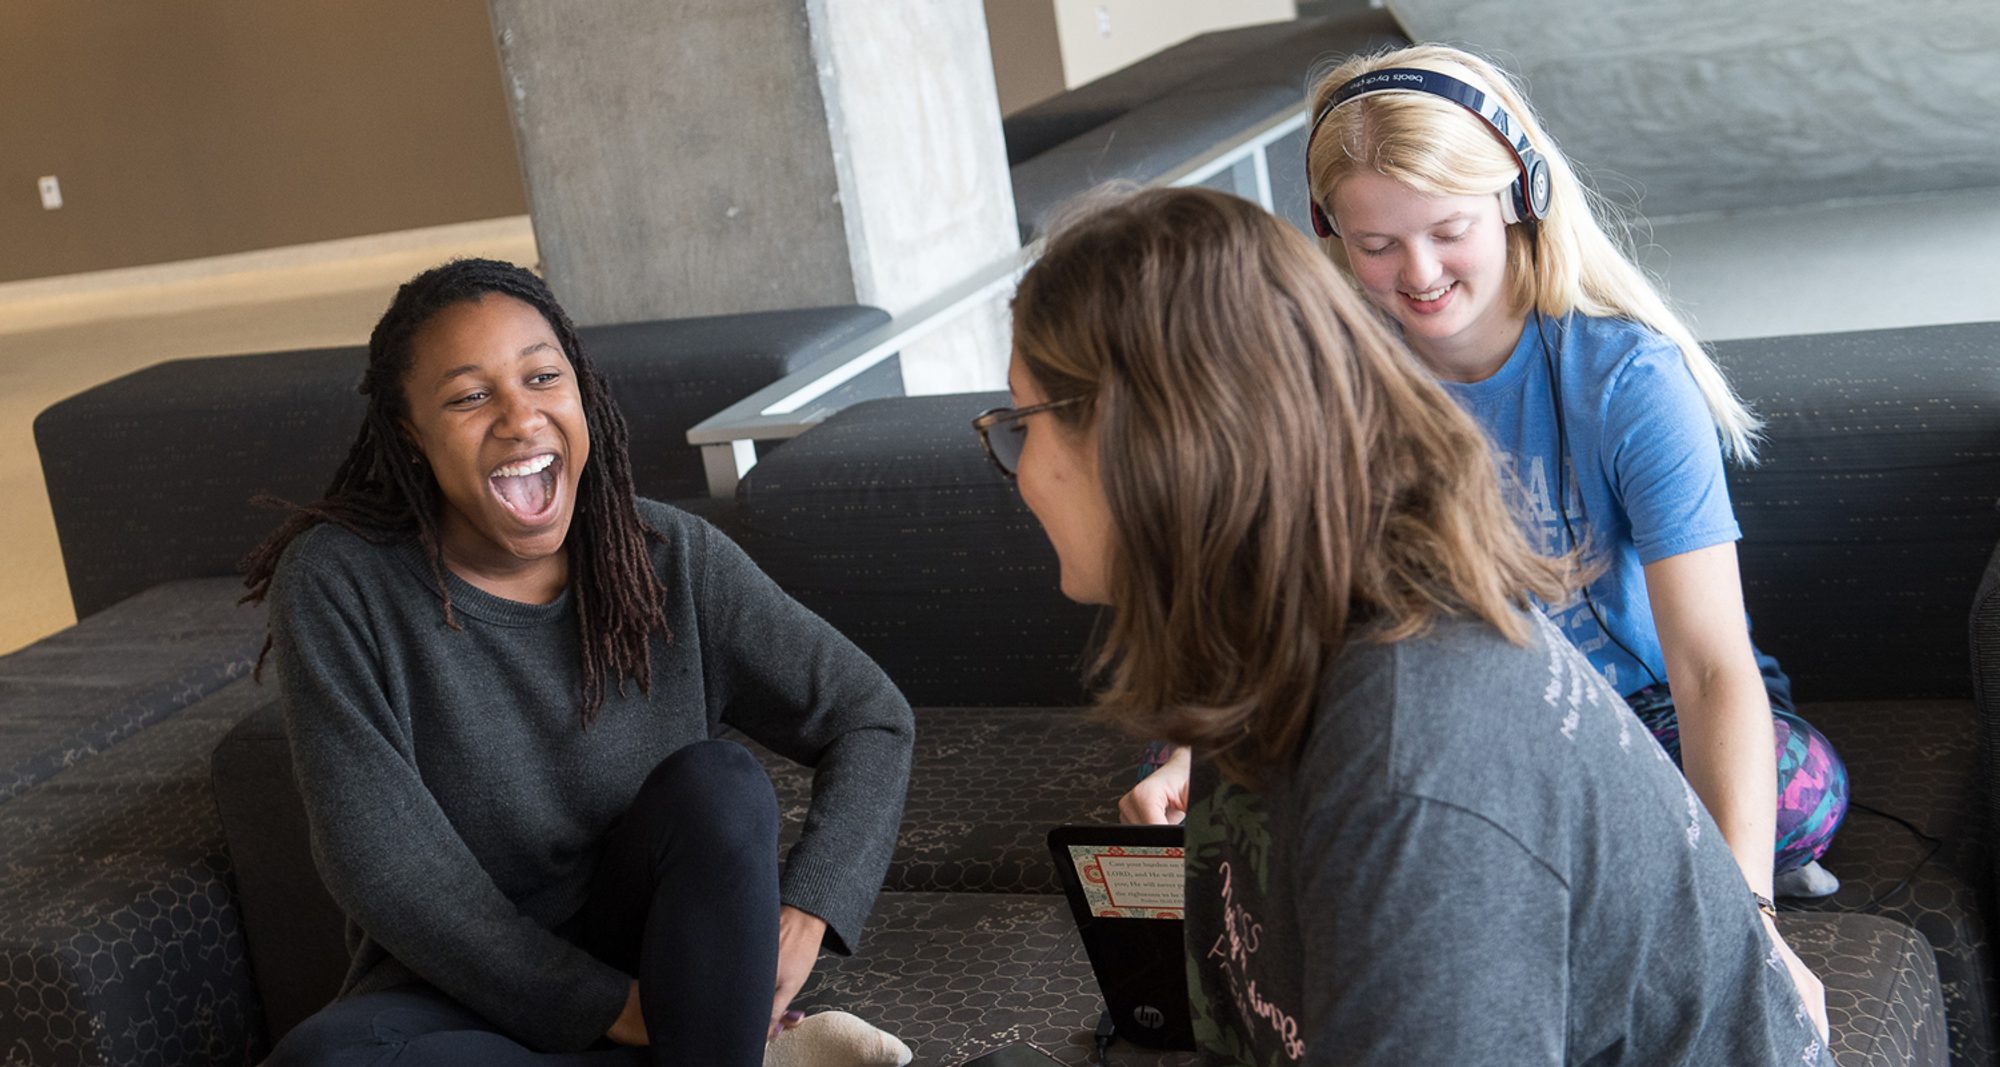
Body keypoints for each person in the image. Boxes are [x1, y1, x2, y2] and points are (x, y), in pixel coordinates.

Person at [979, 185, 1830, 1062]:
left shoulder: (1411, 764)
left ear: (1143, 445)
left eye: (1018, 427)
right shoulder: (1280, 648)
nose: (1018, 472)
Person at [1131, 45, 1846, 905]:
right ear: (1330, 236)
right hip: (1422, 717)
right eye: (1377, 245)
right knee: (1186, 770)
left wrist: (1747, 922)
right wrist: (1193, 757)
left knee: (1797, 783)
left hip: (1630, 713)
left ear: (1522, 199)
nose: (1419, 274)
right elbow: (1277, 614)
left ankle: (1464, 868)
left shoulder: (1629, 381)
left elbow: (1707, 667)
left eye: (1448, 231)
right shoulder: (1326, 386)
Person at [242, 259, 914, 1066]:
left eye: (541, 376)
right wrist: (618, 1012)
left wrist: (811, 903)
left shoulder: (671, 556)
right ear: (411, 434)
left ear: (582, 393)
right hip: (462, 989)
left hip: (671, 968)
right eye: (469, 395)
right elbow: (387, 870)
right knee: (324, 1062)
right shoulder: (338, 582)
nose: (521, 418)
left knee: (720, 785)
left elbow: (870, 715)